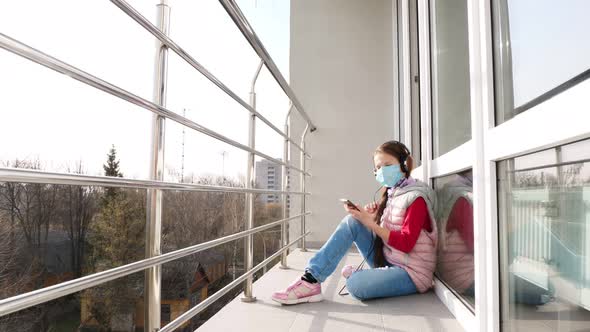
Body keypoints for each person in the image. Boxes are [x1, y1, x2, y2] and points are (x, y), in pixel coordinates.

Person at [271, 140, 438, 304]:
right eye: (378, 168)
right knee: (352, 221)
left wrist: (370, 223)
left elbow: (406, 243)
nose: (382, 171)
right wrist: (369, 217)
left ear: (403, 165)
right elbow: (391, 229)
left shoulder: (416, 198)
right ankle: (311, 280)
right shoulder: (394, 192)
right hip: (390, 259)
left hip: (412, 273)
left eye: (387, 165)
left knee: (355, 285)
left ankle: (360, 277)